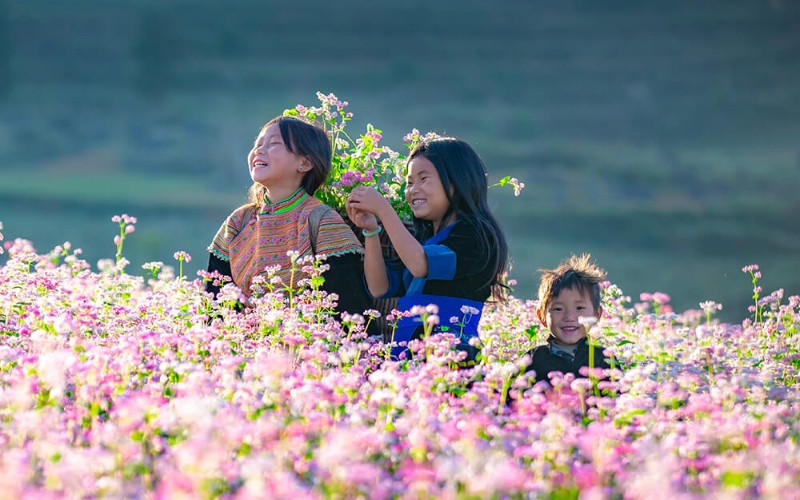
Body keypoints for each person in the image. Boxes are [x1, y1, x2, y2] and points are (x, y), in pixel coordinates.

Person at [345, 137, 509, 365]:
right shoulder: (422, 242)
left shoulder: (476, 233)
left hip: (451, 353)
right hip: (407, 352)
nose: (413, 190)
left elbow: (421, 265)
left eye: (423, 179)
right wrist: (371, 231)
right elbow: (379, 288)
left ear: (456, 181)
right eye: (409, 182)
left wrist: (384, 209)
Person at [205, 116, 373, 320]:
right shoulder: (238, 222)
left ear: (305, 162)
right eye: (257, 144)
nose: (259, 150)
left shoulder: (323, 222)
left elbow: (347, 307)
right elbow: (214, 306)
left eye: (274, 143)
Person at [523, 253, 611, 384]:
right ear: (542, 316)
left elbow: (616, 400)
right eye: (558, 309)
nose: (569, 317)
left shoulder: (604, 359)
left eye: (579, 308)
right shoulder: (533, 359)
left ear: (597, 314)